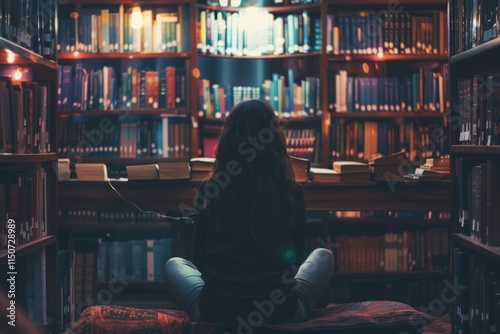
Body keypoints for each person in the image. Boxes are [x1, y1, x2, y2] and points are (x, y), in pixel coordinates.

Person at [165, 99, 334, 326]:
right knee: (324, 256)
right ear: (275, 141)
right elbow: (296, 259)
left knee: (174, 264)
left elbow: (200, 261)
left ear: (227, 140)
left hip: (216, 312)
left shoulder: (210, 190)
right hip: (279, 311)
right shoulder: (291, 192)